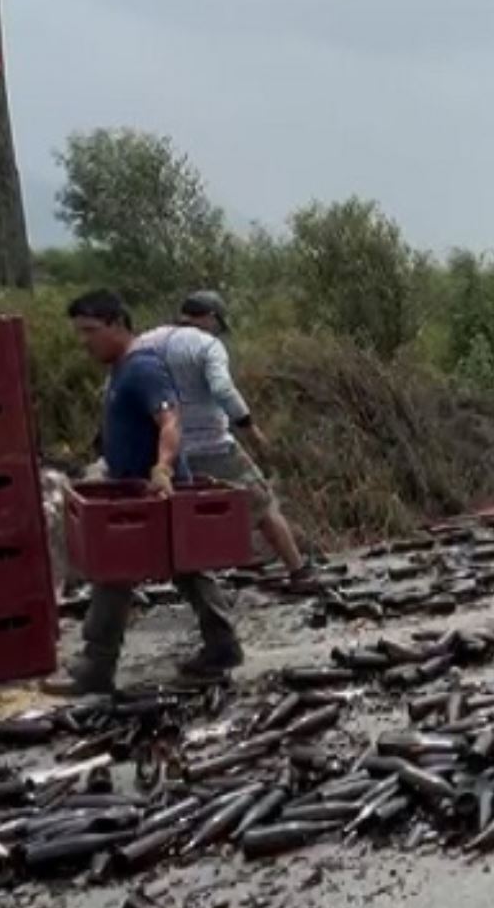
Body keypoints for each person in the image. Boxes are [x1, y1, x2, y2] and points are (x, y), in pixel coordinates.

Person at [53, 290, 241, 694]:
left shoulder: (142, 368)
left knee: (115, 572)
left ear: (117, 324)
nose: (85, 341)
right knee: (187, 570)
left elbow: (171, 420)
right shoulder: (121, 369)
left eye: (91, 331)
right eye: (79, 332)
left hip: (153, 492)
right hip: (131, 489)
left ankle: (96, 667)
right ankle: (222, 645)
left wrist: (162, 468)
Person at [134, 290, 316, 585]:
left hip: (163, 451)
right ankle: (298, 570)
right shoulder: (207, 345)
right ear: (210, 318)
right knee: (262, 504)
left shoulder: (145, 342)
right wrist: (250, 429)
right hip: (212, 445)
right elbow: (222, 389)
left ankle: (159, 580)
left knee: (173, 516)